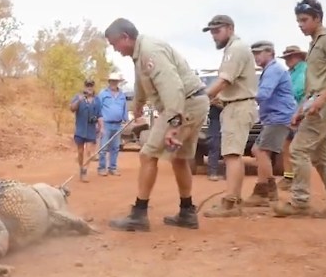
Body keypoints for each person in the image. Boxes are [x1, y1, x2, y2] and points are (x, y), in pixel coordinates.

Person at [103, 17, 210, 231]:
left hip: (182, 104)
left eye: (115, 44)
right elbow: (141, 82)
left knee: (148, 154)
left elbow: (173, 89)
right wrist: (139, 105)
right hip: (194, 102)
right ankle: (187, 212)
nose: (115, 49)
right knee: (180, 158)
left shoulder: (151, 52)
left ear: (126, 37)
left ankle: (139, 215)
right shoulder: (139, 54)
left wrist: (173, 125)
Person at [272, 0, 326, 220]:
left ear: (318, 18)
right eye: (298, 20)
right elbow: (313, 84)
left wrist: (321, 99)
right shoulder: (315, 43)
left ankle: (300, 202)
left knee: (298, 150)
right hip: (318, 103)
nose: (300, 24)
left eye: (305, 20)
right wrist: (300, 109)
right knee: (320, 156)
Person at [200, 15, 260, 218]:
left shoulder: (236, 49)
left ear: (230, 28)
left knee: (232, 155)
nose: (214, 36)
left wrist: (202, 97)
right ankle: (234, 198)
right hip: (235, 105)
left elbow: (224, 80)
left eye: (217, 31)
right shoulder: (236, 48)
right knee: (231, 154)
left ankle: (231, 202)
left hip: (238, 106)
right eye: (212, 32)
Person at [243, 41, 296, 207]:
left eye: (259, 53)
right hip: (275, 117)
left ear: (270, 52)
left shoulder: (273, 70)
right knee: (258, 150)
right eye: (254, 54)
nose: (256, 57)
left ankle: (263, 192)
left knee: (260, 150)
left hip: (278, 117)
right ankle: (270, 189)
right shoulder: (272, 69)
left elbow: (263, 94)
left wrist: (242, 98)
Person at [277, 45, 308, 190]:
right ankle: (289, 177)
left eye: (290, 57)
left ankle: (298, 180)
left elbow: (298, 90)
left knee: (297, 149)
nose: (287, 60)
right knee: (287, 145)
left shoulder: (303, 70)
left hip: (301, 113)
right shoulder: (291, 72)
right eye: (286, 58)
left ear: (298, 57)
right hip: (290, 113)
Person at [96, 72, 128, 176]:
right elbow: (98, 109)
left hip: (118, 125)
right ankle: (101, 168)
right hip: (105, 124)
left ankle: (112, 168)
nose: (114, 83)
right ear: (109, 82)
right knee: (103, 147)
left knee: (115, 147)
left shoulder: (122, 95)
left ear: (118, 82)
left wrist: (125, 119)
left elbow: (124, 108)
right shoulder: (103, 94)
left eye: (116, 81)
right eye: (112, 81)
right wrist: (99, 124)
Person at [70, 78, 101, 182]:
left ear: (93, 87)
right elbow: (72, 108)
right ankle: (81, 167)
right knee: (80, 151)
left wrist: (101, 127)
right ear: (85, 86)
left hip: (91, 129)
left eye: (91, 85)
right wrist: (79, 100)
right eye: (87, 85)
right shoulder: (78, 97)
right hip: (80, 128)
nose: (89, 87)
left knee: (89, 151)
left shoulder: (97, 100)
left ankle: (85, 171)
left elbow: (100, 115)